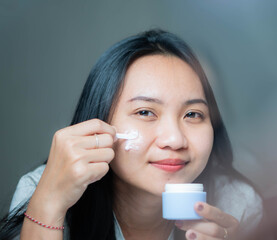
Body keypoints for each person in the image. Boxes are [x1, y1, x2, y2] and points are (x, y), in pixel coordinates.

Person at [0, 29, 263, 240]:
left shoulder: (235, 202)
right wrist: (47, 206)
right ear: (101, 122)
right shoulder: (43, 190)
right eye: (146, 112)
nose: (175, 140)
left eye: (193, 114)